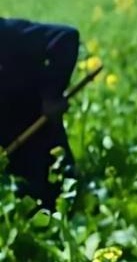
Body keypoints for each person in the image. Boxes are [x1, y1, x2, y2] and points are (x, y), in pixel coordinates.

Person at [0, 18, 80, 209]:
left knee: (50, 207)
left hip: (40, 149)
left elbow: (66, 37)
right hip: (7, 161)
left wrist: (51, 95)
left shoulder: (9, 34)